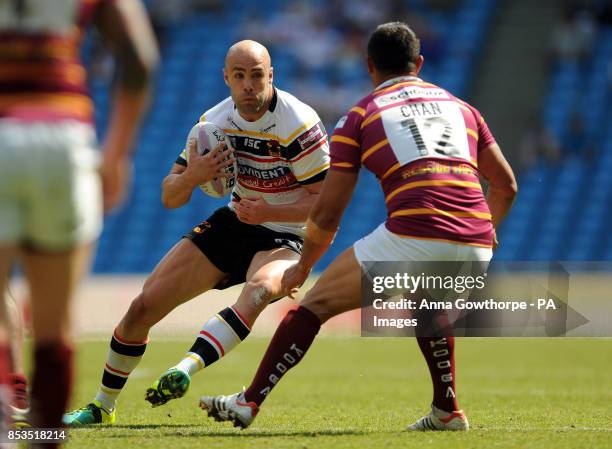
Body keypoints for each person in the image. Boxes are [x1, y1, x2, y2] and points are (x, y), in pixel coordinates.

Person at [199, 22, 517, 431]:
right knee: (429, 307)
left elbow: (328, 212)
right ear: (419, 64)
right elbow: (506, 186)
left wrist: (302, 267)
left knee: (313, 307)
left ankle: (249, 401)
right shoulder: (464, 108)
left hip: (416, 232)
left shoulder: (361, 115)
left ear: (369, 66)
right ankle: (447, 411)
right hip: (477, 240)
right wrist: (482, 236)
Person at [63, 40, 330, 426]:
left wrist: (271, 210)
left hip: (285, 233)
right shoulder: (214, 122)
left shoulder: (299, 124)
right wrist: (192, 176)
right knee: (141, 309)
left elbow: (326, 203)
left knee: (257, 292)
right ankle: (102, 406)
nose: (249, 85)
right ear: (226, 78)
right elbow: (170, 196)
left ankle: (184, 369)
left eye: (257, 75)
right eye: (239, 76)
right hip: (236, 221)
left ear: (271, 75)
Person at [0, 0, 158, 436]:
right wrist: (116, 156)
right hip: (63, 137)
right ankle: (43, 438)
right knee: (55, 326)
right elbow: (139, 58)